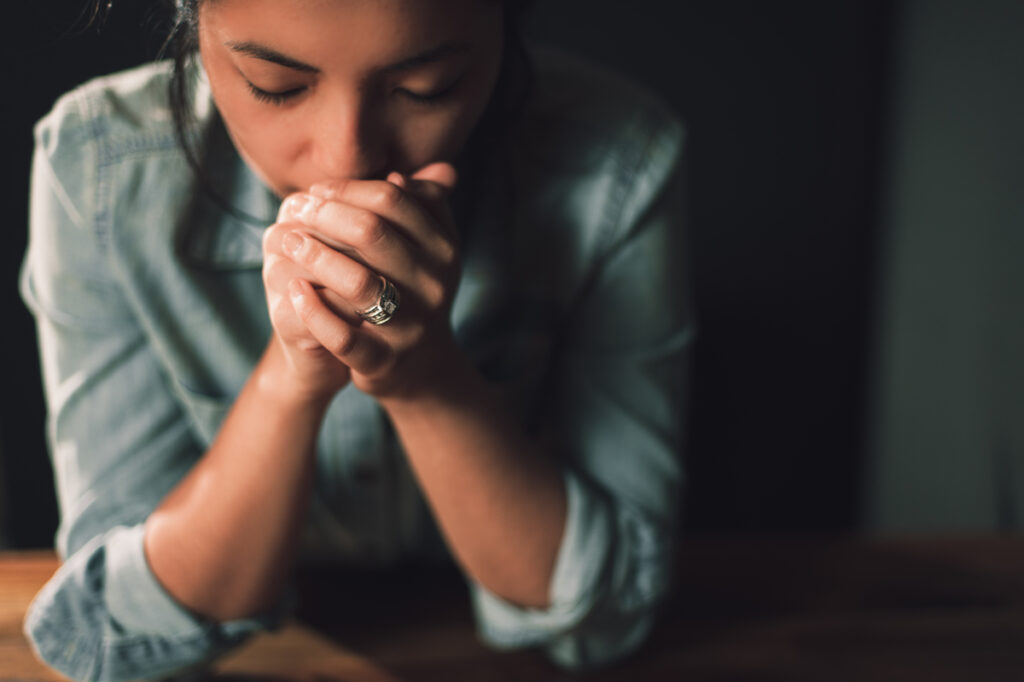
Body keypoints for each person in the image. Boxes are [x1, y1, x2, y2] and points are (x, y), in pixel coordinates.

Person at [20, 0, 692, 679]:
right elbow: (112, 634)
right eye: (275, 86)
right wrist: (293, 378)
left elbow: (608, 613)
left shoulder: (616, 163)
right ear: (195, 33)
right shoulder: (99, 171)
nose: (348, 159)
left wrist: (423, 377)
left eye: (426, 88)